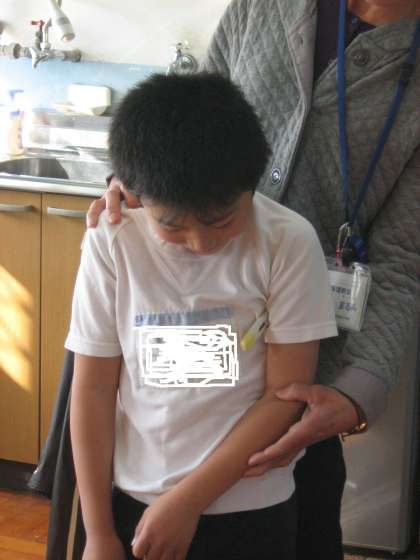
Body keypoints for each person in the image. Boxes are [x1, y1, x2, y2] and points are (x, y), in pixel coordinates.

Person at [87, 1, 420, 558]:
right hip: (163, 412)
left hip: (299, 380)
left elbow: (404, 256)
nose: (204, 238)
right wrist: (146, 181)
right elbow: (191, 116)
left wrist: (359, 391)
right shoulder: (263, 6)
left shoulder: (289, 241)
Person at [66, 72, 338, 560]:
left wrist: (187, 501)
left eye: (221, 220)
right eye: (172, 225)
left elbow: (285, 395)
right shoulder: (114, 240)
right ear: (134, 193)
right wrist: (98, 532)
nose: (201, 242)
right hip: (136, 497)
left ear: (250, 185)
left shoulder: (287, 241)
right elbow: (93, 389)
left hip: (250, 504)